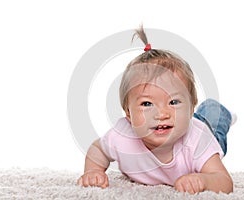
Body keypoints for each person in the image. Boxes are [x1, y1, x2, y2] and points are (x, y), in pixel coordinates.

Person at [77, 25, 235, 194]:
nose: (162, 114)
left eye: (173, 101)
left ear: (191, 107)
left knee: (213, 123)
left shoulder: (198, 141)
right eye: (147, 104)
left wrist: (204, 180)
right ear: (128, 114)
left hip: (203, 128)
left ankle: (216, 110)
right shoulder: (122, 135)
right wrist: (93, 171)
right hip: (183, 120)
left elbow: (224, 181)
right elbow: (98, 150)